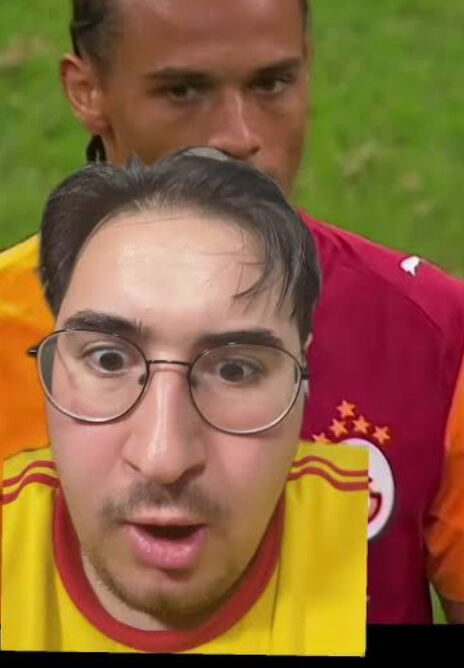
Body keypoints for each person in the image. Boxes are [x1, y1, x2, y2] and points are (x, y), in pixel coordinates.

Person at [0, 0, 463, 624]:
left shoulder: (429, 334)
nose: (240, 135)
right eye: (184, 91)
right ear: (87, 91)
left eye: (272, 83)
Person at [1, 151, 368, 654]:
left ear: (301, 377)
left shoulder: (383, 541)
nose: (163, 459)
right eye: (109, 360)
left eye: (234, 371)